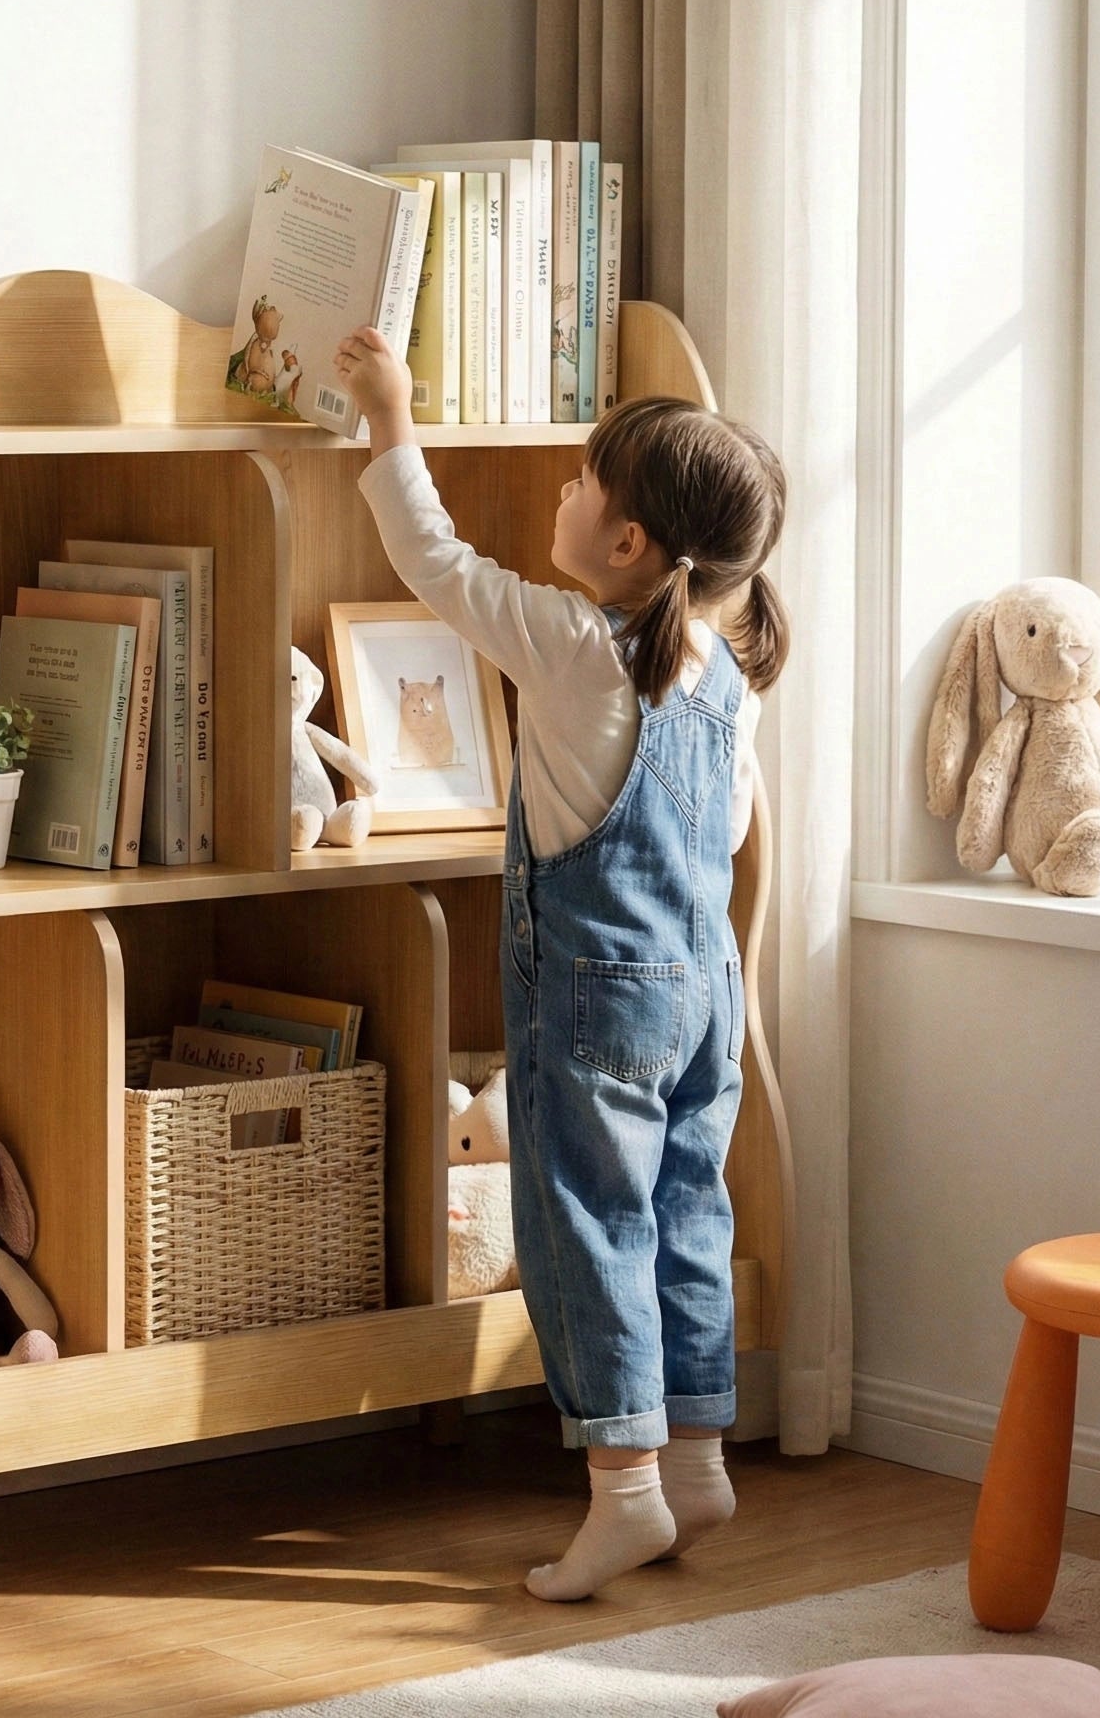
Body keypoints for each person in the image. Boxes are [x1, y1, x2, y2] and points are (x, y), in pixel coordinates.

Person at [335, 326, 789, 1602]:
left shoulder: (576, 645)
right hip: (703, 986)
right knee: (686, 1213)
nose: (562, 492)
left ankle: (626, 1490)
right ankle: (697, 1452)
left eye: (583, 482)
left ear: (630, 544)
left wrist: (391, 416)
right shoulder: (722, 669)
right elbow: (732, 821)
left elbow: (435, 562)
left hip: (596, 991)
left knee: (584, 1225)